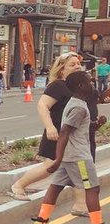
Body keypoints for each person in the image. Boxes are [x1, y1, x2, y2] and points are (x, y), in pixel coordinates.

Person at [29, 71, 110, 224]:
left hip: (69, 156)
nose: (92, 84)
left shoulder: (77, 103)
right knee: (92, 188)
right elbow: (64, 131)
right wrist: (57, 159)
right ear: (81, 86)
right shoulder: (79, 107)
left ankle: (41, 223)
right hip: (78, 157)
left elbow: (77, 129)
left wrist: (96, 124)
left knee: (56, 186)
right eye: (89, 82)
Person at [11, 52, 86, 201]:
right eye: (72, 64)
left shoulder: (79, 87)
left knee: (80, 167)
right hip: (58, 133)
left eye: (78, 63)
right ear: (61, 70)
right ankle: (18, 185)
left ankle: (82, 205)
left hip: (74, 136)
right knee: (50, 166)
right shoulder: (58, 86)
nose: (77, 66)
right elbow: (42, 105)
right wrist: (50, 127)